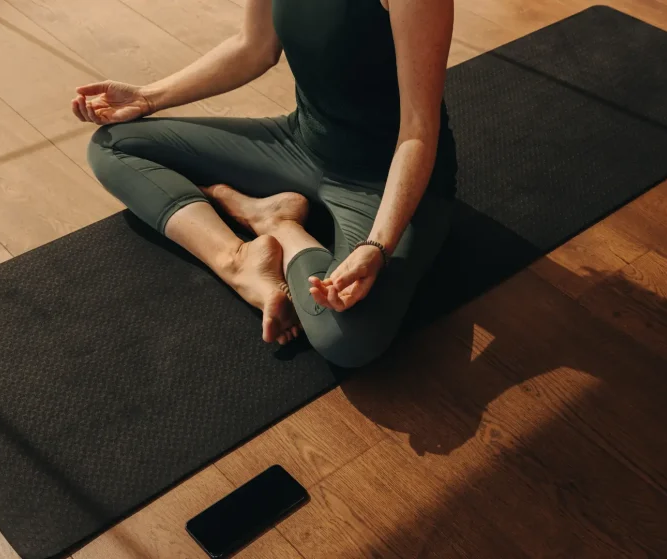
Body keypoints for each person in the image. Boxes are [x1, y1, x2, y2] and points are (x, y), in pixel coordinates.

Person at [74, 0, 457, 368]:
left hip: (384, 178)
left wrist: (377, 245)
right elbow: (254, 47)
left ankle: (279, 226)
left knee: (346, 339)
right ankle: (239, 262)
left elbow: (419, 129)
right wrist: (146, 98)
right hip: (301, 145)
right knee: (114, 145)